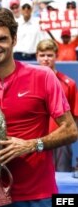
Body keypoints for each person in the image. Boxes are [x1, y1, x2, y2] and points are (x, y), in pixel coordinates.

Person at [0, 8, 78, 207]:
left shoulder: (43, 77)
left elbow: (71, 130)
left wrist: (32, 145)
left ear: (14, 40)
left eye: (1, 39)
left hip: (39, 196)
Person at [36, 39, 78, 172]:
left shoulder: (68, 83)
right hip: (36, 140)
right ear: (37, 56)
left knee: (62, 180)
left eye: (49, 55)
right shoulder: (27, 83)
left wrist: (65, 137)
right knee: (38, 180)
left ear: (56, 56)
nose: (46, 59)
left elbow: (74, 116)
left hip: (61, 142)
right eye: (42, 55)